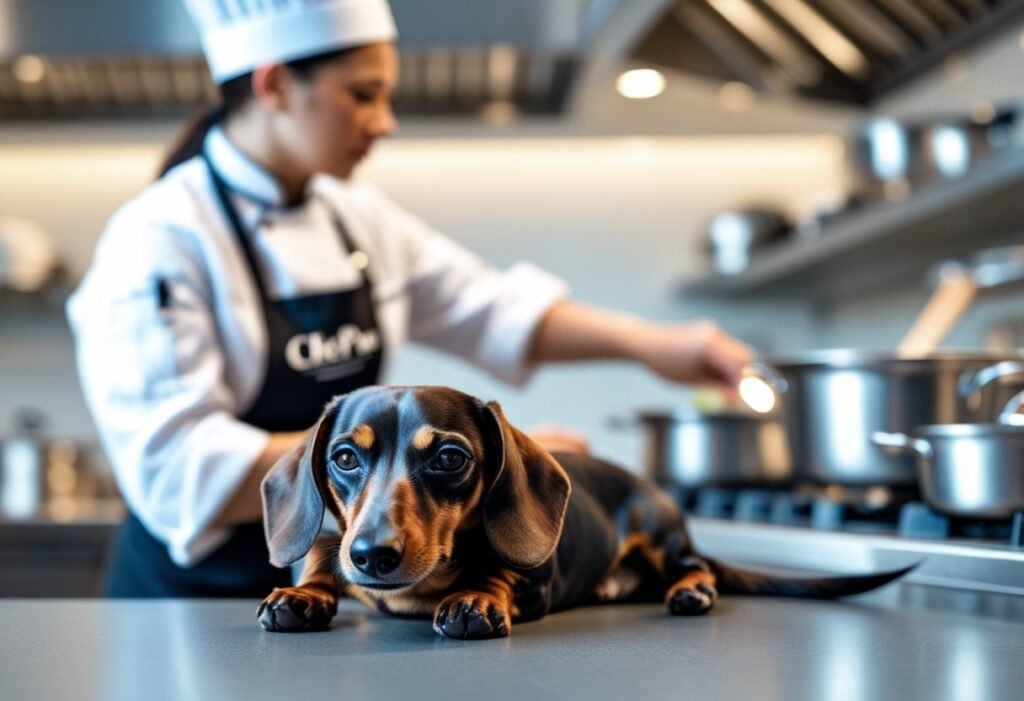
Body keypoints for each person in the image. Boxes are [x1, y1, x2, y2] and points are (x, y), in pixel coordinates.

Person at [66, 0, 754, 598]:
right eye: (364, 94)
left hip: (352, 587)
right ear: (275, 84)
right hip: (196, 603)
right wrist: (483, 460)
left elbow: (490, 308)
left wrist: (660, 344)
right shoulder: (158, 237)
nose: (386, 121)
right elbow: (180, 469)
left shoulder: (354, 216)